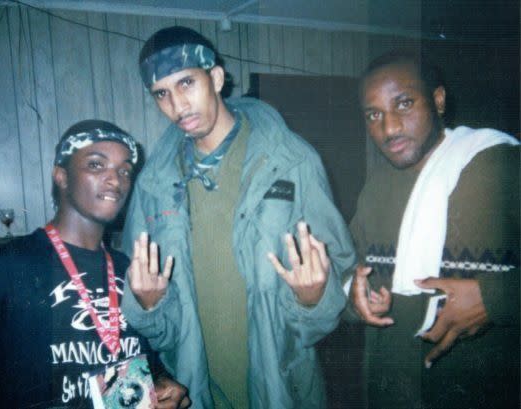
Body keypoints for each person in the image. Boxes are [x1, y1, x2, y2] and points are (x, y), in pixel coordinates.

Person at [120, 26, 356, 408]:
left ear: (215, 78)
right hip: (194, 391)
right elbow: (156, 326)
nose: (177, 107)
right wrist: (149, 306)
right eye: (161, 94)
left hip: (281, 388)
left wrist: (312, 300)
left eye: (186, 84)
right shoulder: (152, 184)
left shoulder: (292, 162)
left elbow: (337, 280)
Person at [0, 120, 190, 408]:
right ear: (61, 176)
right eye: (96, 165)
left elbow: (141, 359)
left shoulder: (132, 268)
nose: (116, 180)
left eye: (125, 170)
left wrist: (162, 384)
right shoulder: (6, 266)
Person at [346, 51, 519, 408]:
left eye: (404, 104)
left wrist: (495, 298)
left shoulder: (501, 166)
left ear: (438, 101)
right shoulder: (375, 188)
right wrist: (353, 295)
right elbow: (353, 271)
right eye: (373, 115)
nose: (389, 127)